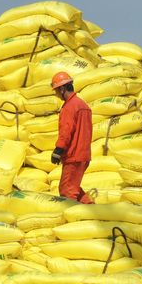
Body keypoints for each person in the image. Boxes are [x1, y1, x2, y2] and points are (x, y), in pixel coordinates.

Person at [50, 71, 94, 203]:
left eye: (56, 91)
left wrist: (58, 150)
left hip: (73, 156)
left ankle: (76, 219)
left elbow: (66, 131)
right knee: (74, 188)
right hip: (83, 155)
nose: (56, 94)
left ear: (62, 89)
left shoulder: (70, 107)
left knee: (66, 191)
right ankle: (94, 210)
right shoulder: (83, 105)